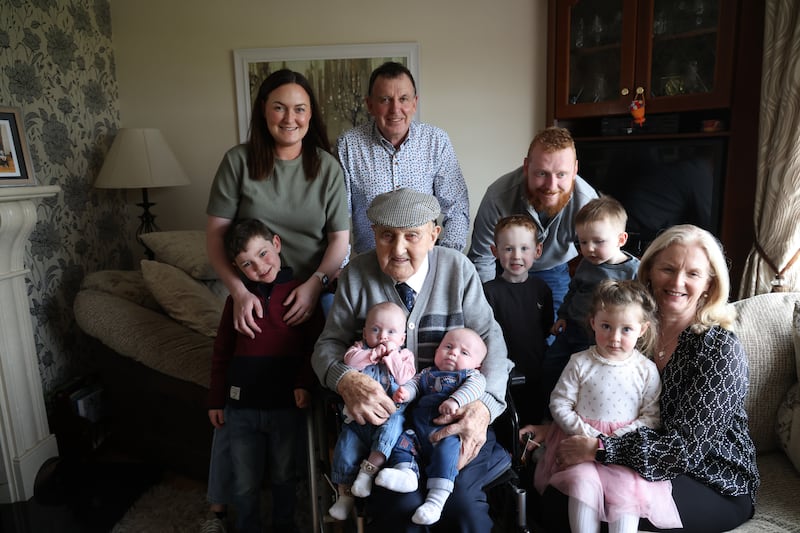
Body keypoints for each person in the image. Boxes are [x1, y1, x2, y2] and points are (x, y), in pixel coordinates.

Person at [312, 188, 513, 532]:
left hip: (452, 417)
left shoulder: (458, 269)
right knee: (400, 507)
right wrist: (346, 379)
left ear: (434, 235)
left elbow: (493, 345)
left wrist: (484, 408)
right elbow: (327, 345)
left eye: (412, 236)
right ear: (373, 234)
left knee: (462, 507)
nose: (398, 249)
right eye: (387, 236)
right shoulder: (357, 274)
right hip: (387, 429)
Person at [537, 224, 760, 533]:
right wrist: (557, 426)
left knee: (604, 512)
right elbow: (594, 391)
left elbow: (684, 451)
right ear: (650, 271)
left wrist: (599, 449)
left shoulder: (718, 348)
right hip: (631, 455)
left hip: (709, 476)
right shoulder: (631, 331)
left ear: (710, 284)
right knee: (560, 498)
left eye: (693, 274)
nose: (677, 282)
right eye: (668, 268)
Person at [204, 69, 350, 530]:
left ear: (312, 114)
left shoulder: (325, 165)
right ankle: (220, 505)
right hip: (253, 289)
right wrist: (239, 291)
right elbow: (216, 238)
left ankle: (337, 480)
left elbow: (340, 242)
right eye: (280, 107)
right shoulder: (238, 161)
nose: (291, 117)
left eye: (301, 108)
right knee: (238, 371)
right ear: (263, 111)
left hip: (314, 287)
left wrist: (315, 286)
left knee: (335, 361)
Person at [524, 279, 682, 533]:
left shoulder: (645, 370)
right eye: (606, 326)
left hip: (622, 450)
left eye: (626, 329)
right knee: (581, 485)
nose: (614, 338)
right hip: (578, 442)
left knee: (626, 495)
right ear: (593, 322)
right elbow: (560, 403)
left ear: (642, 330)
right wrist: (589, 435)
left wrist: (610, 441)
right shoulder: (580, 362)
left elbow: (651, 417)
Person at [207, 219, 324, 533]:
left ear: (276, 243)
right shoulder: (237, 300)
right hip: (241, 409)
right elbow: (221, 353)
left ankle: (284, 525)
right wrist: (216, 400)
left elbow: (315, 347)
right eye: (247, 263)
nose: (259, 266)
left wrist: (304, 383)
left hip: (285, 406)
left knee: (285, 475)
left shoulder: (301, 294)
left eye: (263, 254)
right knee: (245, 481)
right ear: (236, 267)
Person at [336, 61, 470, 254]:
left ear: (414, 103)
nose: (395, 109)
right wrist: (346, 269)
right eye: (385, 100)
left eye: (404, 99)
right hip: (370, 267)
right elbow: (338, 219)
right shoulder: (349, 146)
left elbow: (457, 206)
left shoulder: (436, 141)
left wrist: (444, 259)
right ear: (370, 105)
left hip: (425, 266)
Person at [468, 126, 598, 315]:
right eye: (542, 173)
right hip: (503, 268)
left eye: (561, 174)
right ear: (526, 166)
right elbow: (482, 259)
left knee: (555, 335)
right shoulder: (498, 196)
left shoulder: (587, 202)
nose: (551, 187)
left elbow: (601, 258)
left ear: (575, 170)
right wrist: (489, 308)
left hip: (552, 270)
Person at [378, 328, 488, 525]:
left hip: (447, 433)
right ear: (437, 351)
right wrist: (406, 393)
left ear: (477, 365)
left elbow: (475, 389)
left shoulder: (472, 376)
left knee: (448, 454)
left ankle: (436, 501)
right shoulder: (426, 373)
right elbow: (414, 385)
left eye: (464, 353)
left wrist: (455, 400)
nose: (453, 352)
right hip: (418, 429)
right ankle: (407, 474)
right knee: (403, 444)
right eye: (448, 346)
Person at [542, 195, 640, 417]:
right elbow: (573, 291)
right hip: (572, 329)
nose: (589, 249)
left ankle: (575, 415)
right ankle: (547, 415)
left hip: (598, 337)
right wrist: (563, 316)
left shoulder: (633, 271)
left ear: (620, 239)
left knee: (581, 377)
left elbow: (639, 310)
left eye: (598, 241)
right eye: (583, 242)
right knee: (551, 366)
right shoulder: (586, 264)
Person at [328, 301, 416, 521]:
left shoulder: (404, 356)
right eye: (375, 330)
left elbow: (405, 377)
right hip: (358, 418)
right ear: (365, 332)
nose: (383, 336)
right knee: (345, 447)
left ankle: (367, 474)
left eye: (391, 332)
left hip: (390, 415)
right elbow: (350, 362)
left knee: (392, 431)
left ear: (402, 339)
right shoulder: (360, 349)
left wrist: (391, 356)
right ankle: (345, 496)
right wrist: (372, 354)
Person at [482, 214, 554, 424]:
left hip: (535, 369)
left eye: (524, 248)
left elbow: (546, 327)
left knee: (534, 418)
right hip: (501, 374)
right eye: (508, 249)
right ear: (495, 251)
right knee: (507, 423)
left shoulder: (542, 289)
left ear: (537, 251)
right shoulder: (488, 292)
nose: (516, 256)